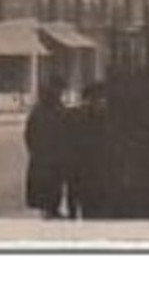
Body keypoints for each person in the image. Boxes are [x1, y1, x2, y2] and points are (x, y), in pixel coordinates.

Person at [23, 79, 70, 218]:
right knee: (50, 182)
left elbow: (28, 134)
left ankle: (50, 208)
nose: (60, 93)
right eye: (59, 90)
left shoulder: (43, 110)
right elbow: (30, 133)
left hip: (46, 155)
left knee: (52, 182)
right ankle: (49, 208)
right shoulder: (52, 110)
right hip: (49, 155)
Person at [66, 82, 110, 219]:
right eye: (100, 99)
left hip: (82, 167)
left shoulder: (73, 114)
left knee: (83, 200)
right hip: (89, 168)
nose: (102, 102)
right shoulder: (102, 116)